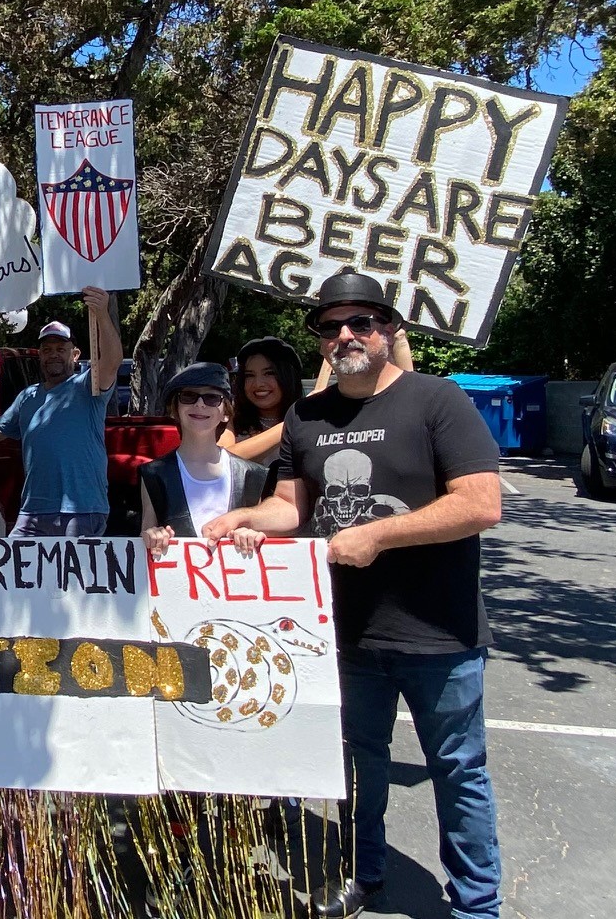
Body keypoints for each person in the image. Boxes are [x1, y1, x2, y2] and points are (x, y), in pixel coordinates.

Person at [201, 271, 504, 919]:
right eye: (332, 326)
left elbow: (481, 505)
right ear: (320, 341)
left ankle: (477, 905)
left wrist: (379, 536)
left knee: (458, 771)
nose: (347, 335)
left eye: (361, 322)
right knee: (359, 770)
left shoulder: (438, 400)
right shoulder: (306, 417)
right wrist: (245, 519)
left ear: (389, 329)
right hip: (348, 634)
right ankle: (365, 874)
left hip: (440, 635)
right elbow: (292, 507)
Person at [0, 287, 122, 537]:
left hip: (81, 511)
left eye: (60, 348)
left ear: (75, 355)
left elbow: (111, 360)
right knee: (12, 572)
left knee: (76, 578)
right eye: (46, 349)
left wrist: (101, 313)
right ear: (40, 356)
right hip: (32, 513)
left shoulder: (89, 386)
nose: (53, 354)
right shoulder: (27, 397)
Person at [139, 363, 269, 553]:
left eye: (212, 398)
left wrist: (253, 535)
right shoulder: (153, 474)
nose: (199, 404)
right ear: (174, 409)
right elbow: (145, 532)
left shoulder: (251, 474)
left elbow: (259, 536)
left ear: (226, 412)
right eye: (188, 396)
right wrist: (152, 535)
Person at [220, 336, 304, 465]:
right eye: (250, 375)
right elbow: (225, 461)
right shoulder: (229, 415)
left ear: (288, 377)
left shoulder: (312, 421)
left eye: (269, 373)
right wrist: (292, 423)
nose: (258, 384)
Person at [313, 327, 413, 393]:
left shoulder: (420, 397)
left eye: (359, 324)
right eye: (331, 327)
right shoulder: (306, 411)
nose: (345, 336)